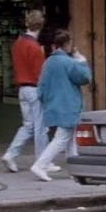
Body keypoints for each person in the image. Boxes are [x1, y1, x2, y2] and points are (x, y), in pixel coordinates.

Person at [30, 29, 92, 182]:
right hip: (68, 106)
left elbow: (41, 87)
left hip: (54, 105)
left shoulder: (48, 62)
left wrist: (47, 101)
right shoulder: (69, 62)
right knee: (62, 138)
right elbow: (85, 78)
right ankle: (40, 165)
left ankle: (75, 170)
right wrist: (81, 60)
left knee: (70, 139)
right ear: (67, 44)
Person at [1, 10, 56, 173]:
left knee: (28, 125)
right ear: (41, 25)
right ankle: (42, 161)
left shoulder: (18, 43)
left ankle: (11, 154)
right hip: (34, 88)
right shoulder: (35, 47)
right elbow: (40, 74)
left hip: (22, 88)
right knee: (40, 127)